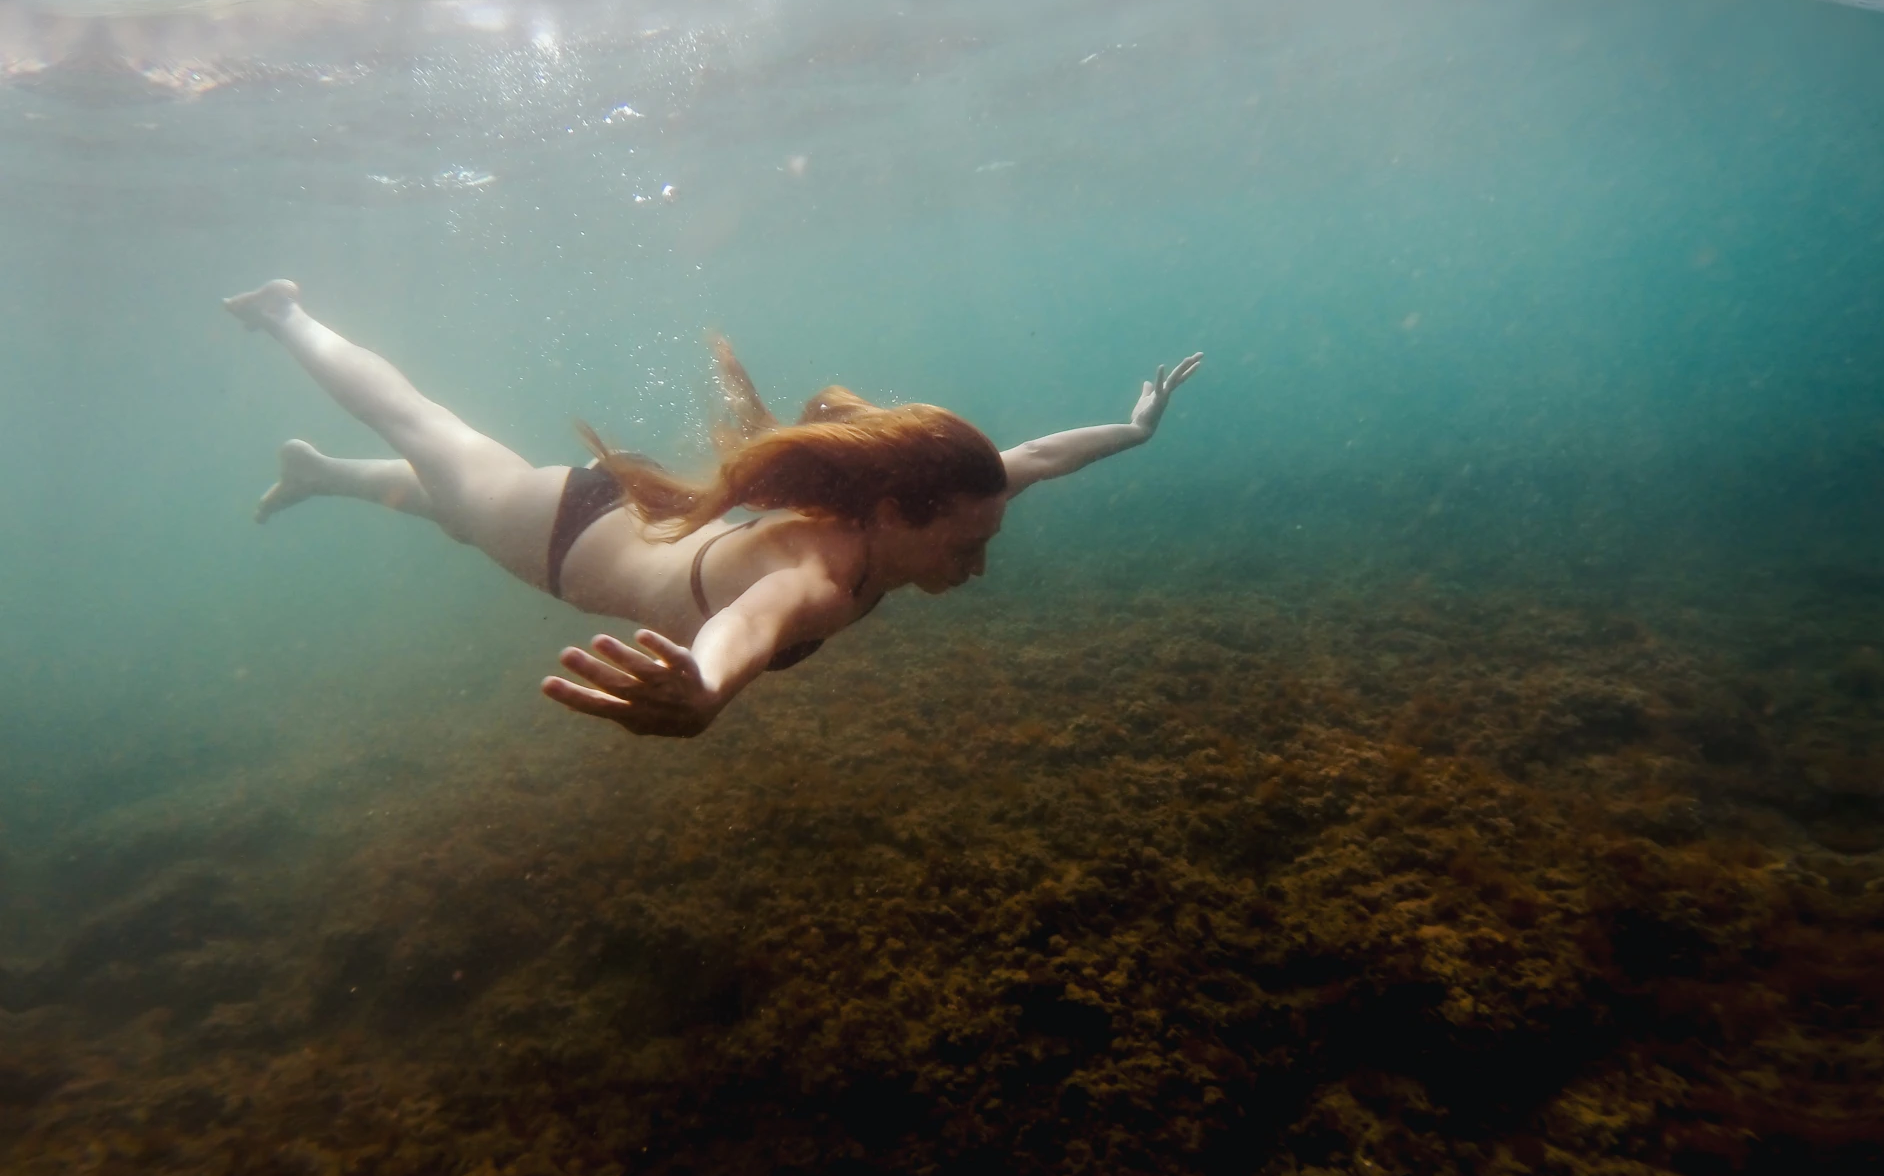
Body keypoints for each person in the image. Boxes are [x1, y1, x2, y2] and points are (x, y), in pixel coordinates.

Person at [225, 279, 1201, 739]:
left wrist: (1133, 431)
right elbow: (746, 625)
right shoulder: (815, 580)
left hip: (632, 515)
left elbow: (1032, 458)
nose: (983, 562)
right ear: (901, 510)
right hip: (565, 539)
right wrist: (703, 691)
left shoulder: (914, 511)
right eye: (967, 543)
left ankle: (313, 472)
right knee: (427, 433)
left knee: (450, 503)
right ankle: (283, 314)